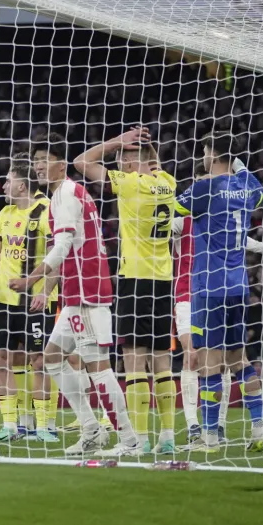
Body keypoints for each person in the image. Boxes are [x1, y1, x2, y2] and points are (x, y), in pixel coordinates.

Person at [11, 133, 139, 456]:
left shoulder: (65, 195)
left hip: (87, 294)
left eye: (43, 160)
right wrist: (48, 285)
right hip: (75, 294)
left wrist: (31, 280)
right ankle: (91, 428)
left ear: (59, 163)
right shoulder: (70, 193)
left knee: (99, 368)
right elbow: (65, 249)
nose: (38, 166)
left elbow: (64, 245)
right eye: (35, 161)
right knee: (52, 357)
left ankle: (129, 440)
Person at [73, 125, 177, 454]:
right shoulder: (168, 183)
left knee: (133, 362)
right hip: (164, 280)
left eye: (124, 159)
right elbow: (155, 165)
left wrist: (118, 141)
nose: (119, 164)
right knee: (162, 363)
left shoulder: (129, 185)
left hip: (134, 280)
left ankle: (140, 440)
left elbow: (80, 162)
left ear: (135, 163)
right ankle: (168, 437)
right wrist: (145, 151)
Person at [175, 131, 263, 451]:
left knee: (209, 363)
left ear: (212, 155)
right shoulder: (245, 188)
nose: (202, 155)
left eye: (204, 150)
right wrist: (240, 166)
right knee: (239, 360)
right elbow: (260, 193)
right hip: (240, 285)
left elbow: (171, 211)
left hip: (209, 287)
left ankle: (210, 435)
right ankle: (260, 428)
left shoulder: (203, 187)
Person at [0, 155, 59, 443]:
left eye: (9, 180)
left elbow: (59, 259)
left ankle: (43, 426)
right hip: (4, 301)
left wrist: (44, 291)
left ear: (22, 185)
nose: (4, 184)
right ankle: (10, 426)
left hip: (36, 301)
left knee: (39, 361)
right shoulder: (4, 215)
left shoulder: (45, 212)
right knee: (2, 360)